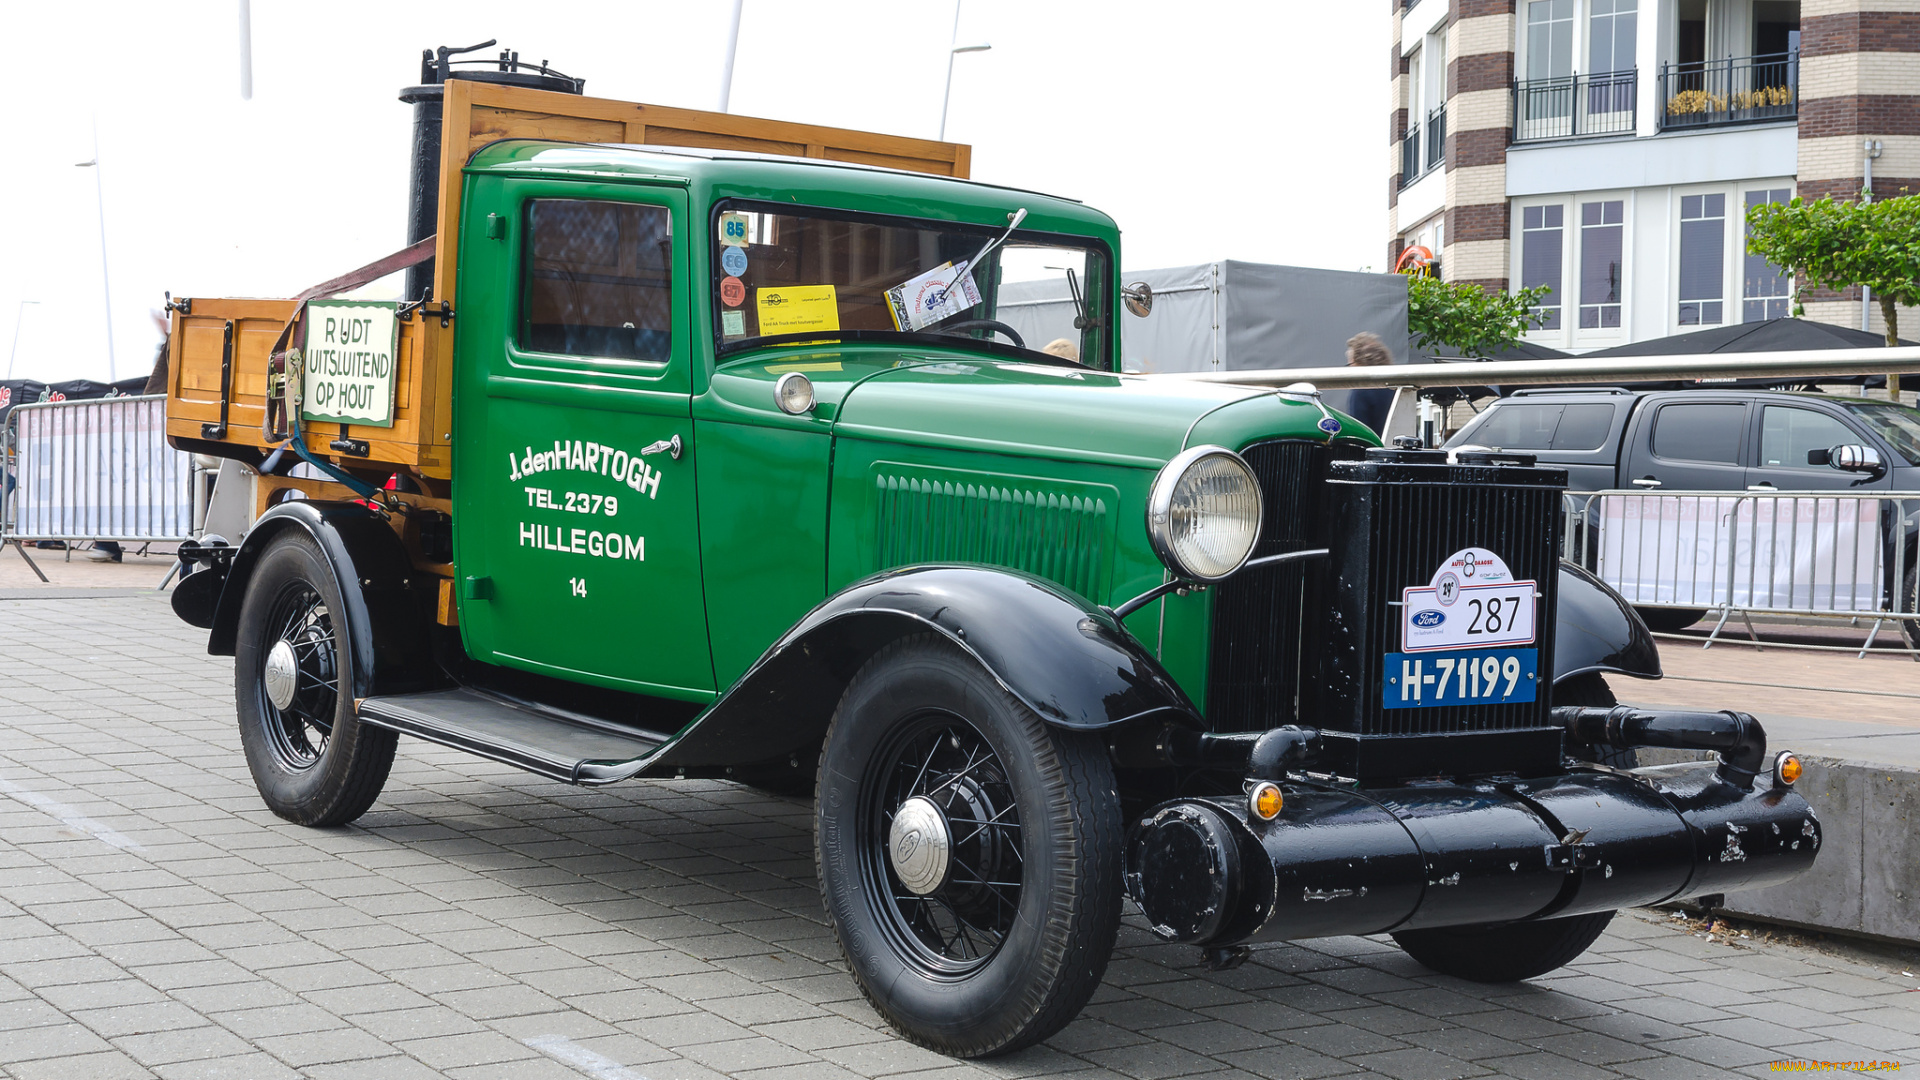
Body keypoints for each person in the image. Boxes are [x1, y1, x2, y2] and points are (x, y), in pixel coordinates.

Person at [1343, 331, 1395, 437]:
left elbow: (1358, 434)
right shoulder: (1398, 386)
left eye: (1350, 364)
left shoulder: (1360, 392)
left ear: (1359, 363)